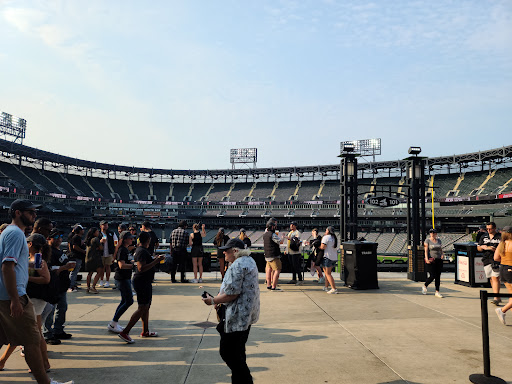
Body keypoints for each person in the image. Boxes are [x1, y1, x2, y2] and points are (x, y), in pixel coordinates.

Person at [0, 199, 74, 384]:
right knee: (32, 341)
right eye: (31, 212)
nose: (34, 216)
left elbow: (15, 264)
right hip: (13, 295)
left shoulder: (9, 233)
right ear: (18, 212)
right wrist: (15, 299)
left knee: (8, 337)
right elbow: (7, 267)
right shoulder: (16, 234)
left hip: (6, 294)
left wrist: (33, 265)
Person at [202, 238, 260, 384]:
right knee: (238, 352)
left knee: (227, 352)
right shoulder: (249, 261)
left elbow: (231, 294)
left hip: (236, 316)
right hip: (247, 314)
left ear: (235, 251)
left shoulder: (237, 265)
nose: (224, 253)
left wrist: (213, 301)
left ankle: (246, 381)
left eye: (226, 250)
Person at [118, 231, 164, 344]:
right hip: (142, 281)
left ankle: (145, 331)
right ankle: (125, 331)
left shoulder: (141, 250)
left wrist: (153, 259)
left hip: (144, 281)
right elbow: (141, 268)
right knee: (142, 307)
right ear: (148, 240)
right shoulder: (142, 251)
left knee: (146, 306)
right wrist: (156, 261)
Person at [44, 228, 74, 341]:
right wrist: (65, 267)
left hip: (62, 285)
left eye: (60, 236)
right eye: (56, 237)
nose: (59, 239)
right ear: (49, 238)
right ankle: (47, 333)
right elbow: (51, 269)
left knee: (62, 308)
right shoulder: (48, 251)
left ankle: (58, 330)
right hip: (53, 285)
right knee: (50, 310)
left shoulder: (59, 250)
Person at [108, 231, 135, 334]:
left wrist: (131, 262)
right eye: (130, 238)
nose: (132, 240)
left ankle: (114, 322)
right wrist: (133, 266)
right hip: (122, 278)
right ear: (125, 239)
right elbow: (121, 265)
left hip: (125, 277)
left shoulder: (125, 250)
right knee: (129, 301)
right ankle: (113, 322)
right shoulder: (122, 250)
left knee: (124, 300)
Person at [477, 222, 501, 305]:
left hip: (496, 259)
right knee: (491, 278)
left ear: (494, 228)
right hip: (486, 258)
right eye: (487, 229)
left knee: (495, 277)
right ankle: (496, 295)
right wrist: (482, 247)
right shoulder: (484, 236)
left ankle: (496, 297)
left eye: (490, 229)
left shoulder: (499, 237)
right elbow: (478, 248)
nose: (488, 230)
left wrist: (495, 249)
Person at [494, 226, 512, 325]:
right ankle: (503, 310)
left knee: (511, 295)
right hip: (511, 269)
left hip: (503, 268)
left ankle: (503, 312)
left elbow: (496, 258)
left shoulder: (502, 244)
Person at [422, 228, 444, 298]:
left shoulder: (439, 241)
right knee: (432, 275)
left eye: (433, 232)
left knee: (438, 276)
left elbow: (440, 249)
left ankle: (437, 291)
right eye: (431, 232)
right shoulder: (427, 240)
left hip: (438, 259)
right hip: (432, 260)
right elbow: (425, 250)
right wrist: (426, 258)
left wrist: (442, 254)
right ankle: (425, 285)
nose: (432, 234)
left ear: (435, 234)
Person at [263, 219, 282, 291]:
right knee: (277, 270)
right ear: (272, 227)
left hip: (267, 255)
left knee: (268, 270)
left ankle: (268, 285)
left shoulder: (265, 234)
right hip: (274, 255)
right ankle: (274, 286)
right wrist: (283, 237)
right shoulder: (272, 234)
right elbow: (280, 242)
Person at [84, 227, 104, 294]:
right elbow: (101, 248)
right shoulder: (96, 239)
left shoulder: (88, 240)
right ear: (94, 233)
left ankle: (88, 287)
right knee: (99, 272)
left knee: (90, 273)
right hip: (95, 258)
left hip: (88, 258)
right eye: (97, 231)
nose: (98, 233)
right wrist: (101, 243)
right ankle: (93, 286)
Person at [67, 224, 85, 293]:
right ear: (79, 231)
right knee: (74, 272)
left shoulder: (77, 237)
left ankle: (73, 284)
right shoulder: (76, 237)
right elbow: (75, 247)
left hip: (77, 256)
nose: (83, 231)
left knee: (75, 271)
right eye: (82, 230)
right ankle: (71, 286)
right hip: (76, 256)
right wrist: (83, 251)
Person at [320, 226, 338, 294]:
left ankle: (334, 288)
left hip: (328, 257)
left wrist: (318, 245)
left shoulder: (326, 237)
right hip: (334, 257)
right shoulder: (334, 238)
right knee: (326, 273)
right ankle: (326, 287)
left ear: (328, 231)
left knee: (328, 274)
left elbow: (322, 247)